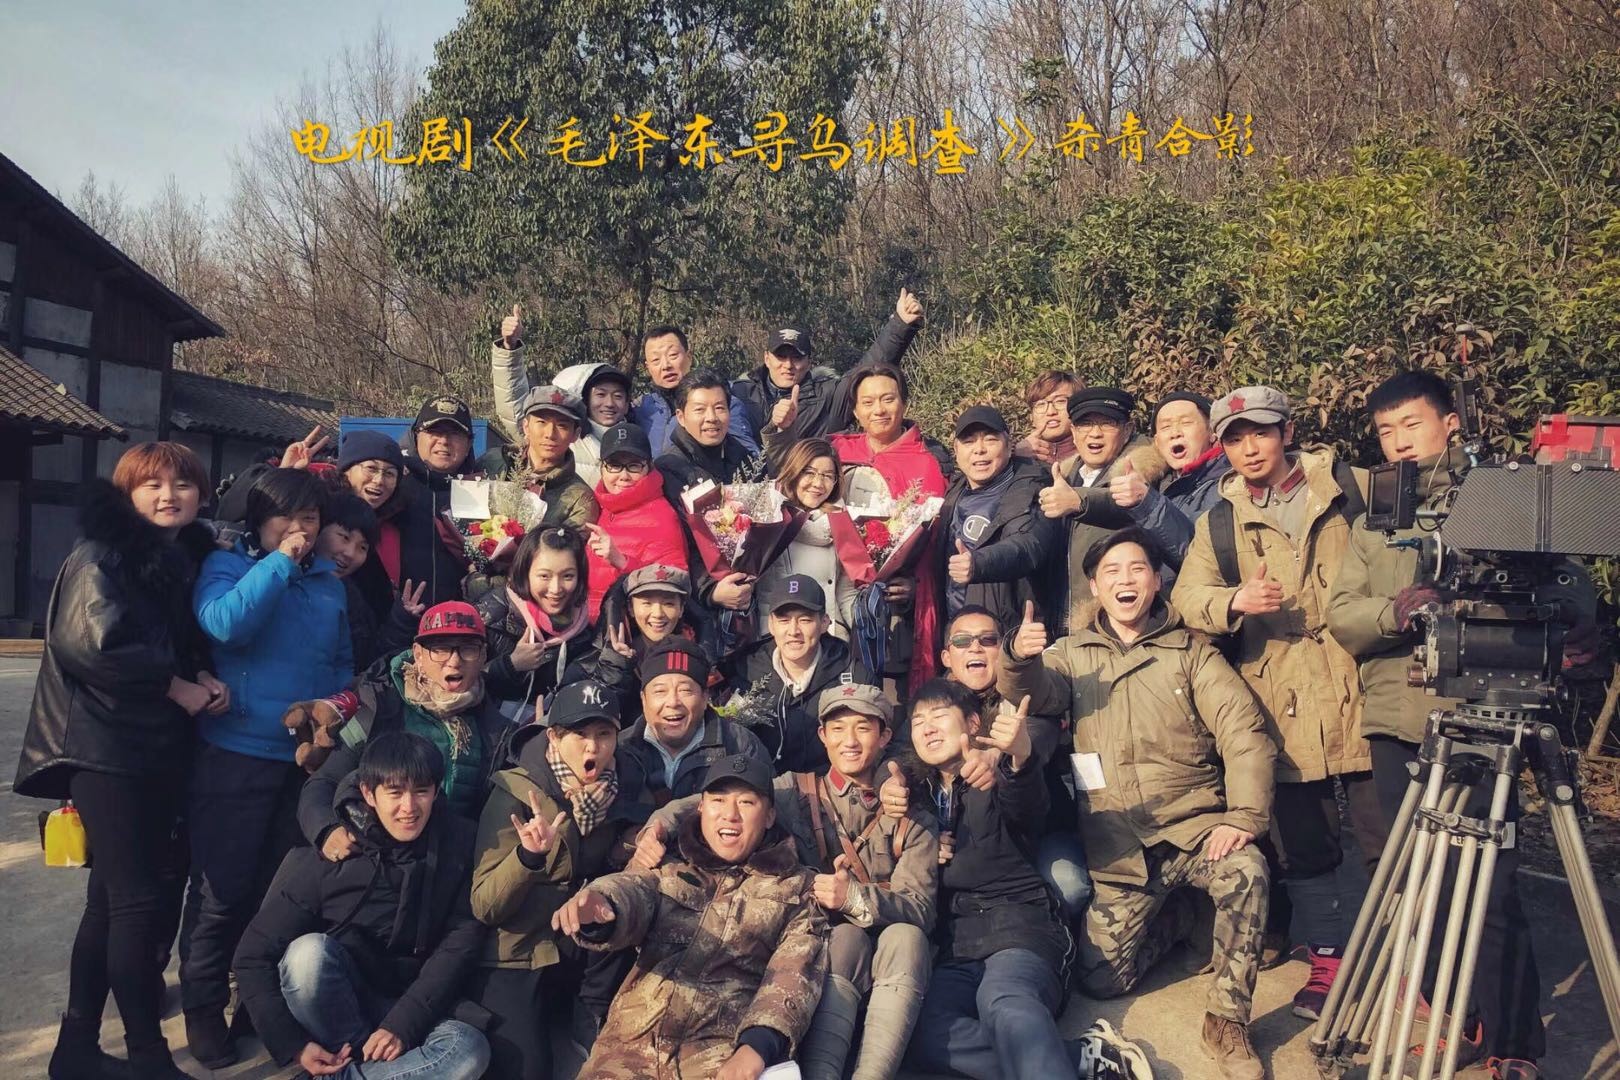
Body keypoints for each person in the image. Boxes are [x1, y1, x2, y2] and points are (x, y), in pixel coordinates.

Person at [1326, 370, 1598, 1077]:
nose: (1398, 442)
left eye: (1411, 424)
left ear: (1450, 422)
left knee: (1490, 889)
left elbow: (1569, 581)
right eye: (1385, 431)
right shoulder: (1377, 518)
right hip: (1399, 721)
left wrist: (1576, 619)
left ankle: (1512, 1042)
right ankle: (1458, 1014)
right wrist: (1396, 611)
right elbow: (1342, 615)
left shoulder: (1504, 496)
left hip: (1485, 720)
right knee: (1416, 884)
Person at [1002, 528, 1276, 1080]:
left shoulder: (1190, 653)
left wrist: (1244, 816)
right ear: (1094, 587)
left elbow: (1243, 731)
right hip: (1120, 847)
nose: (1124, 581)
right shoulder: (1073, 653)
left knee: (1246, 871)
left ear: (1155, 580)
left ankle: (1227, 1021)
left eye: (1136, 569)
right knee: (1100, 981)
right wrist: (1017, 656)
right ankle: (1183, 921)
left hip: (1193, 830)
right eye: (1111, 572)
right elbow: (1036, 692)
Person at [16, 444, 226, 1080]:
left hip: (143, 747)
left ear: (202, 494)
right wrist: (176, 686)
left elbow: (169, 639)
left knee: (108, 904)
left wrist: (200, 674)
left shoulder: (172, 558)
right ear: (127, 492)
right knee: (136, 904)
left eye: (183, 484)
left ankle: (76, 1049)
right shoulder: (103, 554)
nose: (168, 495)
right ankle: (149, 1058)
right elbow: (92, 644)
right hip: (106, 749)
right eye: (152, 484)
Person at [1171, 385, 1381, 1023]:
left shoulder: (1349, 488)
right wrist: (1232, 601)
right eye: (1234, 438)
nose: (1249, 448)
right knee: (1304, 844)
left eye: (1260, 432)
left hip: (1361, 683)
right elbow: (1187, 597)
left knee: (1386, 837)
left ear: (1287, 431)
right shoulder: (1220, 519)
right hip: (1278, 695)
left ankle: (1406, 962)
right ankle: (1329, 961)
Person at [637, 684, 937, 1080]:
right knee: (845, 939)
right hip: (813, 942)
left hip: (889, 949)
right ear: (822, 736)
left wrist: (855, 897)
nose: (849, 741)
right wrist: (658, 827)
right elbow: (711, 802)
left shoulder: (912, 814)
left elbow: (921, 908)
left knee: (908, 938)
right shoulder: (794, 790)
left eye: (863, 728)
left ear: (884, 736)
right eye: (838, 728)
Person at [185, 466, 352, 1067]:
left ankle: (251, 1006)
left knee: (273, 895)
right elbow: (226, 626)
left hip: (301, 763)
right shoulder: (227, 566)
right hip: (236, 753)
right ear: (260, 520)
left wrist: (334, 713)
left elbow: (341, 662)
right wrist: (280, 561)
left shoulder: (328, 583)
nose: (300, 529)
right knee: (221, 892)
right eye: (287, 517)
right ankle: (202, 1007)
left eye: (310, 518)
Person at [550, 752, 829, 1079]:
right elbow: (634, 890)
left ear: (769, 816)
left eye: (746, 803)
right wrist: (602, 902)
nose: (730, 815)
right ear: (701, 807)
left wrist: (756, 1047)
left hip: (721, 1056)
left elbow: (793, 975)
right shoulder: (672, 866)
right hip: (627, 1047)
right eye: (718, 800)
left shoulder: (797, 889)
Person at [232, 732, 490, 1080]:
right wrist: (294, 1045)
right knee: (306, 955)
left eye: (421, 791)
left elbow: (459, 944)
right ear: (369, 794)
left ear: (436, 790)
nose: (409, 807)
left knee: (469, 1049)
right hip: (338, 1001)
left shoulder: (461, 844)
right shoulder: (334, 855)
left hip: (413, 1001)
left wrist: (403, 1024)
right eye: (395, 793)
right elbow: (252, 954)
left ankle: (343, 1075)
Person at [895, 679, 1078, 1080]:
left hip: (1020, 928)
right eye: (918, 721)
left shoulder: (994, 774)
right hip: (957, 946)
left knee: (1005, 1005)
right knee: (923, 1032)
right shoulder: (917, 794)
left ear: (973, 723)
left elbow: (1027, 803)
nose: (927, 728)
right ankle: (1080, 1058)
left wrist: (1019, 757)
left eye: (939, 716)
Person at [469, 680, 645, 1080]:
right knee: (529, 1071)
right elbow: (485, 905)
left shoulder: (626, 785)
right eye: (579, 735)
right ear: (554, 736)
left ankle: (590, 1010)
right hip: (518, 950)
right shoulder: (515, 791)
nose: (592, 748)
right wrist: (528, 856)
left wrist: (632, 847)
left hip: (583, 947)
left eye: (604, 734)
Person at [291, 600, 511, 852]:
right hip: (373, 854)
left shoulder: (497, 729)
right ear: (418, 653)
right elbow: (324, 781)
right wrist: (326, 830)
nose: (454, 661)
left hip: (449, 863)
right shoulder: (377, 707)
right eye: (440, 649)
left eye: (468, 649)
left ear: (483, 655)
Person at [938, 604, 1086, 922]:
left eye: (988, 640)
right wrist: (888, 783)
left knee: (1069, 887)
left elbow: (1041, 729)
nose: (975, 647)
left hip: (1040, 831)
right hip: (969, 835)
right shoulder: (933, 703)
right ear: (947, 657)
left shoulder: (1026, 692)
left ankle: (1064, 943)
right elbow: (900, 754)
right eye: (962, 641)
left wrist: (1003, 754)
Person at [826, 360, 952, 691]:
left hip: (894, 613)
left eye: (888, 399)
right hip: (831, 598)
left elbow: (934, 547)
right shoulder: (836, 452)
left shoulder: (927, 464)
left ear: (904, 403)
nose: (879, 410)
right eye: (868, 402)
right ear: (855, 410)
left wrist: (915, 587)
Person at [746, 288, 927, 468]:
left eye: (797, 357)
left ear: (809, 362)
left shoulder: (829, 397)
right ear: (766, 358)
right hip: (743, 484)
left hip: (811, 484)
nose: (788, 365)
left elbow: (868, 368)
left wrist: (901, 324)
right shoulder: (742, 393)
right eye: (781, 356)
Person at [1037, 386, 1167, 635]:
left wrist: (1079, 501)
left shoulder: (1142, 471)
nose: (1095, 433)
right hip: (1059, 621)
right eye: (1085, 424)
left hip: (1116, 622)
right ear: (1073, 432)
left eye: (1107, 424)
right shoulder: (1063, 475)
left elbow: (1123, 503)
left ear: (1127, 430)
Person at [721, 575, 879, 774]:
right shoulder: (744, 670)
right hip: (763, 786)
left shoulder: (855, 675)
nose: (793, 631)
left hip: (831, 786)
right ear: (771, 624)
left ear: (824, 622)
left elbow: (876, 746)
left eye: (805, 620)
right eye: (784, 620)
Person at [938, 405, 1061, 629]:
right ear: (956, 449)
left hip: (1009, 633)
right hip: (956, 633)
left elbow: (1027, 546)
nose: (979, 450)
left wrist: (978, 563)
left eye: (990, 440)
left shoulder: (1032, 487)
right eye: (969, 442)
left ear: (1009, 445)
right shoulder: (952, 491)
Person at [655, 368, 765, 617]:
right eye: (700, 409)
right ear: (681, 416)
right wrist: (710, 590)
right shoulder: (668, 470)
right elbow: (675, 546)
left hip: (751, 592)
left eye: (719, 408)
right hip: (696, 603)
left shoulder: (747, 461)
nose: (711, 418)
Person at [615, 638, 772, 809]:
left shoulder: (740, 746)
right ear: (644, 700)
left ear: (705, 698)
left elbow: (763, 811)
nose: (673, 702)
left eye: (685, 690)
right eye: (660, 691)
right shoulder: (620, 749)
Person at [477, 526, 600, 710]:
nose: (556, 588)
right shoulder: (489, 615)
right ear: (525, 572)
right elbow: (459, 686)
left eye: (568, 576)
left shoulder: (584, 631)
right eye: (544, 576)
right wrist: (510, 665)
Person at [1107, 391, 1228, 568]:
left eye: (1186, 423)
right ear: (1157, 442)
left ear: (1212, 432)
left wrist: (1146, 502)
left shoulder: (1228, 484)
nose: (1175, 433)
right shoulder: (1159, 482)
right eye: (1165, 427)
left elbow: (1198, 556)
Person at [581, 422, 687, 622]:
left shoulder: (662, 518)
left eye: (634, 466)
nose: (624, 476)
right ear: (602, 468)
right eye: (614, 465)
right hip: (587, 624)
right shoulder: (598, 506)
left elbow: (675, 583)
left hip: (626, 628)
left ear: (649, 467)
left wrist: (622, 561)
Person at [758, 438, 858, 641]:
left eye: (828, 476)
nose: (818, 484)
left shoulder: (842, 523)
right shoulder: (769, 520)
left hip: (829, 638)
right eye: (809, 473)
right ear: (794, 472)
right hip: (780, 639)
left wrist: (869, 625)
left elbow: (846, 593)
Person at [397, 394, 486, 605]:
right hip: (396, 615)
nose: (444, 441)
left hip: (464, 619)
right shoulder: (394, 484)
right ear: (416, 436)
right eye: (434, 431)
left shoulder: (484, 493)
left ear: (469, 443)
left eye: (455, 434)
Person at [318, 491, 418, 672]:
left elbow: (368, 661)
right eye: (345, 537)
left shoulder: (354, 600)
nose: (350, 553)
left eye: (362, 547)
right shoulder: (283, 577)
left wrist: (401, 620)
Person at [479, 384, 600, 528]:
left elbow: (570, 542)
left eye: (562, 425)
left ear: (575, 434)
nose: (550, 434)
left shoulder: (580, 499)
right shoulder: (493, 462)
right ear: (526, 427)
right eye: (542, 422)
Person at [634, 322, 761, 456]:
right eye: (656, 360)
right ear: (647, 368)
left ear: (689, 357)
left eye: (673, 355)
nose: (666, 365)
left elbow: (750, 457)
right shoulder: (641, 409)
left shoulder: (721, 404)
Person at [336, 429, 411, 623]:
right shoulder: (321, 512)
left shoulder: (393, 528)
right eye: (371, 468)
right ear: (347, 469)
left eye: (390, 473)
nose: (379, 480)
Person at [1014, 369, 1081, 465]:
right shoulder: (1017, 458)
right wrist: (1016, 456)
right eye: (1041, 404)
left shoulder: (1091, 455)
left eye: (1060, 401)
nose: (1051, 412)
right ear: (1031, 417)